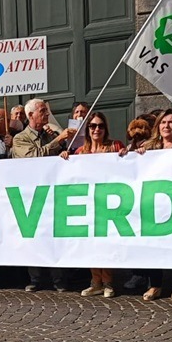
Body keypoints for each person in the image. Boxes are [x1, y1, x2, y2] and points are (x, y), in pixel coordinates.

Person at [13, 99, 75, 292]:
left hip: (53, 192)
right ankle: (35, 278)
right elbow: (34, 157)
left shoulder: (50, 135)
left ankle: (59, 279)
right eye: (42, 111)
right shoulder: (20, 139)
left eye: (47, 111)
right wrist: (58, 141)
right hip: (31, 195)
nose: (47, 114)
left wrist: (59, 141)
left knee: (54, 234)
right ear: (30, 115)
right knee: (33, 236)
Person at [61, 111, 122, 299]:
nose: (97, 129)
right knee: (91, 244)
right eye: (93, 126)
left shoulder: (114, 146)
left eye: (100, 126)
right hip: (88, 204)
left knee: (107, 243)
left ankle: (108, 282)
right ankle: (95, 282)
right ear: (87, 129)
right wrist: (65, 156)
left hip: (109, 202)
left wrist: (125, 155)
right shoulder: (80, 151)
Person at [133, 109, 172, 301]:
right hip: (153, 204)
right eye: (163, 123)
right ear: (158, 126)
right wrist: (133, 154)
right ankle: (155, 285)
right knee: (152, 245)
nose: (166, 126)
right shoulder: (148, 148)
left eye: (171, 122)